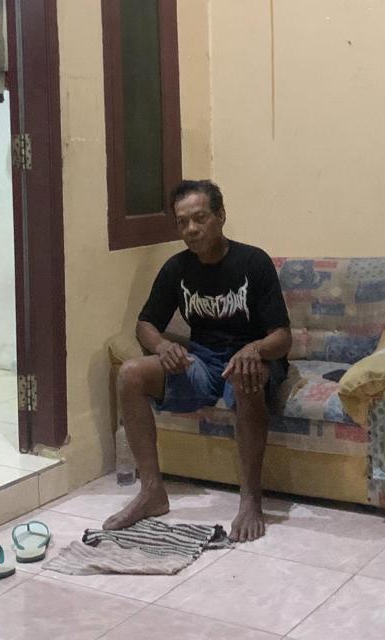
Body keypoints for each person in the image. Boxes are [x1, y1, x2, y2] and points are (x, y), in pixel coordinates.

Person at [104, 179, 291, 542]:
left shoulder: (253, 262)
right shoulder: (176, 269)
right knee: (130, 374)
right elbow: (145, 324)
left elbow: (283, 337)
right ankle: (152, 492)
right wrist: (161, 346)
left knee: (246, 376)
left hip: (252, 360)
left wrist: (255, 350)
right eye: (182, 222)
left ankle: (250, 499)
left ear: (220, 216)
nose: (191, 228)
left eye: (200, 218)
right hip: (203, 361)